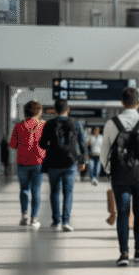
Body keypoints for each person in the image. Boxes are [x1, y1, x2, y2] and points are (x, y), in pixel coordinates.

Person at [101, 87, 139, 266]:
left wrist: (108, 172)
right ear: (138, 103)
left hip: (119, 175)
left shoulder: (111, 123)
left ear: (122, 103)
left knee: (122, 212)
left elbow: (104, 151)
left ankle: (123, 253)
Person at [39, 98, 87, 232]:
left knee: (54, 191)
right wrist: (82, 161)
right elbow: (82, 145)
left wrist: (51, 144)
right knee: (68, 192)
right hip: (70, 163)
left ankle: (56, 221)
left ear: (55, 110)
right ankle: (66, 221)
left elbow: (42, 144)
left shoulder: (48, 124)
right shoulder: (76, 124)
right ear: (68, 110)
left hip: (53, 163)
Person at [9, 100, 47, 227]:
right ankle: (34, 218)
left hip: (22, 162)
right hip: (39, 162)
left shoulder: (19, 126)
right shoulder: (43, 125)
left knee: (24, 189)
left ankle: (24, 216)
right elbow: (49, 144)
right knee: (36, 190)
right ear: (38, 112)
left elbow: (13, 145)